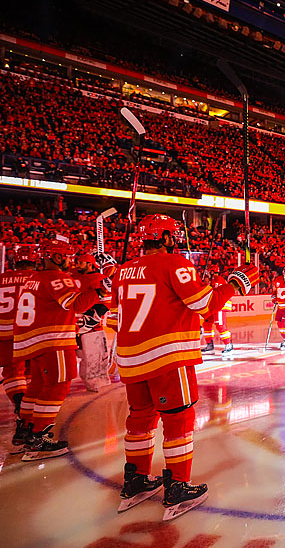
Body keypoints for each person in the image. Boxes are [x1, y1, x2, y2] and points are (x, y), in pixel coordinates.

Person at [112, 214, 258, 520]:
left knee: (139, 419)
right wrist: (236, 283)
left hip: (130, 357)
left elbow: (114, 316)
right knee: (178, 421)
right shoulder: (174, 263)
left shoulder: (123, 270)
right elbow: (206, 306)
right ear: (166, 238)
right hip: (167, 355)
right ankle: (177, 485)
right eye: (173, 235)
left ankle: (135, 479)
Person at [13, 236, 105, 461]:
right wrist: (100, 292)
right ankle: (39, 437)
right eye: (65, 256)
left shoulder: (33, 278)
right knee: (57, 385)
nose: (69, 261)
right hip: (52, 339)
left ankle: (25, 429)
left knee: (36, 387)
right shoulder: (57, 278)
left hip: (32, 339)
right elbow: (75, 305)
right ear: (56, 256)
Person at [0, 244, 39, 449]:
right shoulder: (38, 279)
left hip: (3, 335)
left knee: (13, 373)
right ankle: (28, 417)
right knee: (32, 375)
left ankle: (19, 404)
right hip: (30, 333)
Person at [73, 254, 113, 392]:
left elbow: (106, 302)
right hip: (74, 323)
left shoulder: (98, 279)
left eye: (80, 262)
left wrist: (92, 318)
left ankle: (94, 381)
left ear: (90, 264)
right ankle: (89, 379)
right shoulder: (71, 276)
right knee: (84, 354)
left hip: (90, 325)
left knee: (94, 356)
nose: (77, 265)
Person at [201, 273, 234, 357]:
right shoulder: (213, 281)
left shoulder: (218, 280)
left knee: (220, 325)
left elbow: (215, 292)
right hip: (214, 305)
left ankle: (229, 345)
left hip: (220, 305)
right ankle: (209, 345)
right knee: (207, 324)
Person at [270, 265, 285, 351]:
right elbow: (275, 291)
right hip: (280, 307)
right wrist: (274, 298)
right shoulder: (278, 280)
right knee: (280, 324)